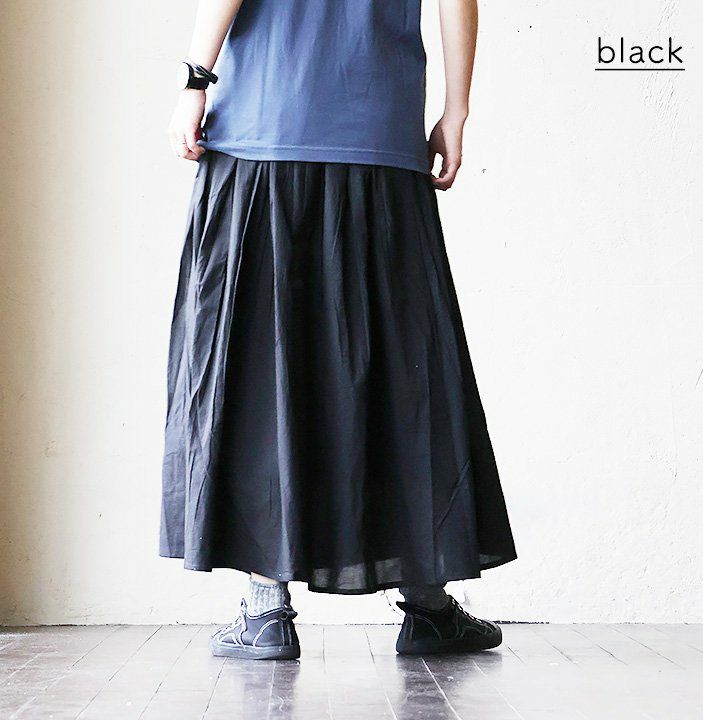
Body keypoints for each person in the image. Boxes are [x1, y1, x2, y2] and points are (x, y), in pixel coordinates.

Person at [160, 0, 517, 660]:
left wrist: (194, 81)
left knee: (258, 368)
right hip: (382, 138)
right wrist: (456, 110)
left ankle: (266, 610)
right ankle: (429, 607)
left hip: (263, 133)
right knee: (404, 370)